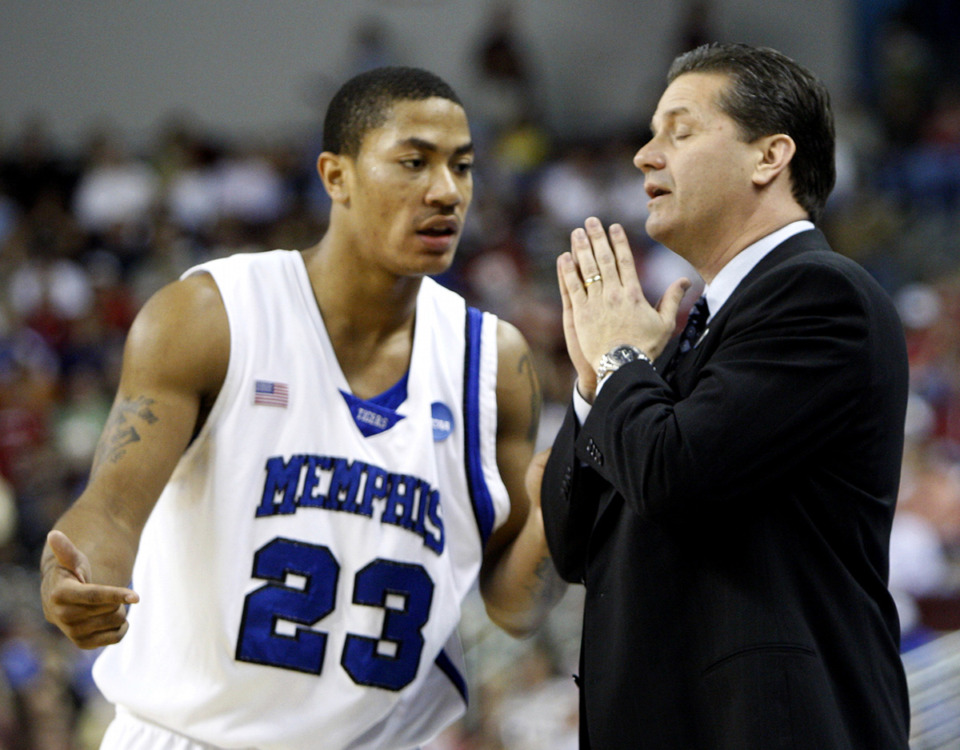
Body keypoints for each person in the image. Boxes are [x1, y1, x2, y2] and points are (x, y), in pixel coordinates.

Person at [40, 66, 565, 750]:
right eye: (413, 163)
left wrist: (564, 504)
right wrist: (74, 576)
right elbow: (110, 509)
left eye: (462, 167)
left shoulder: (494, 364)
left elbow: (515, 605)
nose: (446, 192)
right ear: (335, 175)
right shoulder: (210, 316)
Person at [539, 43, 911, 748]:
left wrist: (620, 357)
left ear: (768, 157)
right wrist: (595, 382)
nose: (646, 156)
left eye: (679, 131)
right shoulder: (682, 344)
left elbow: (670, 473)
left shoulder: (822, 295)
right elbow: (574, 546)